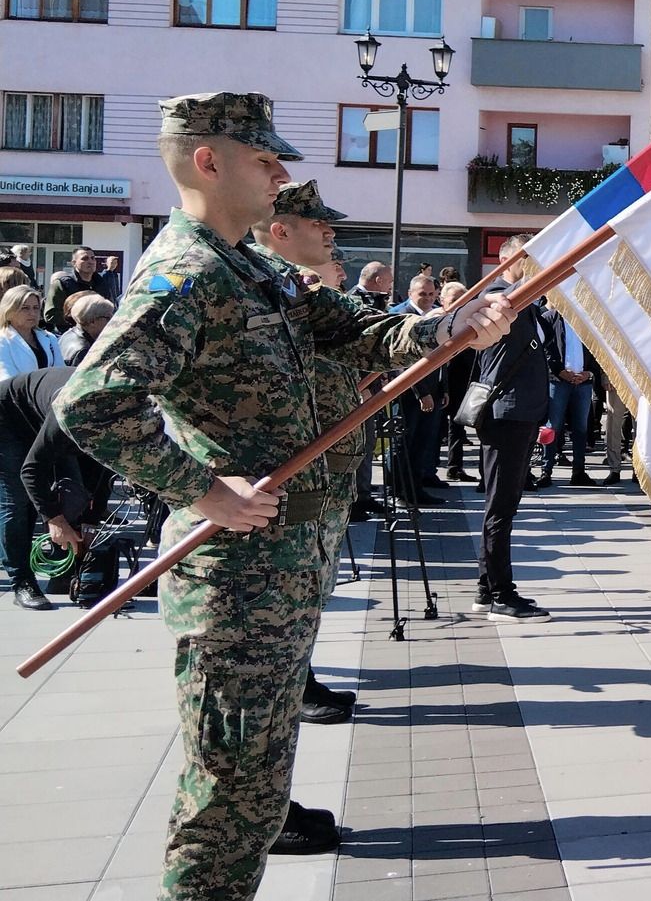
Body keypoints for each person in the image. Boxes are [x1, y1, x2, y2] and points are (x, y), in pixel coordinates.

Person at [52, 91, 513, 899]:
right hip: (234, 580)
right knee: (227, 799)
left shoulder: (254, 268)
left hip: (284, 567)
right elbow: (92, 402)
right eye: (264, 160)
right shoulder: (185, 275)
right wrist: (201, 489)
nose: (280, 176)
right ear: (208, 161)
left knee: (259, 790)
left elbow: (356, 328)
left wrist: (451, 327)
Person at [250, 180, 374, 731]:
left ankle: (301, 676)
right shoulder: (266, 291)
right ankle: (292, 686)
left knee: (314, 589)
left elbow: (363, 345)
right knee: (286, 600)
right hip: (287, 478)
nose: (330, 233)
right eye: (318, 223)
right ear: (280, 230)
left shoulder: (300, 293)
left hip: (329, 471)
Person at [469, 236, 553, 621]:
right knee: (500, 508)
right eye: (527, 257)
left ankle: (487, 589)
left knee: (503, 506)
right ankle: (502, 595)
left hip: (521, 415)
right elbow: (502, 303)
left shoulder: (527, 304)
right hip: (506, 416)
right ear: (505, 260)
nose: (535, 264)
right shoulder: (500, 299)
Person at [1, 367, 91, 609]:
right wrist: (55, 519)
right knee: (16, 502)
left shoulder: (123, 412)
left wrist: (91, 521)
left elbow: (101, 472)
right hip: (6, 417)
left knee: (75, 492)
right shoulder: (72, 405)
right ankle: (22, 582)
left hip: (44, 419)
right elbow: (31, 471)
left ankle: (64, 574)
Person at [392, 274, 449, 504]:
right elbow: (403, 361)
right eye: (422, 294)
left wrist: (443, 388)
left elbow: (443, 356)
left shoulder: (437, 316)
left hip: (434, 390)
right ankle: (401, 492)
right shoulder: (401, 315)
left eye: (431, 294)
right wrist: (422, 393)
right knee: (405, 443)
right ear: (410, 294)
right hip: (410, 394)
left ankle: (416, 489)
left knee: (423, 442)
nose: (427, 298)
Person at [538, 300, 596, 487]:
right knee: (552, 427)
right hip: (558, 381)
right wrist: (559, 371)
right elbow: (544, 350)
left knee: (581, 428)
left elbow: (597, 351)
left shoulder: (588, 320)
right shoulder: (549, 318)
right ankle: (546, 471)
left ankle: (579, 472)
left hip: (583, 382)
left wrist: (589, 373)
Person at [438, 281, 478, 482]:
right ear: (443, 300)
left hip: (464, 381)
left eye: (464, 300)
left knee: (457, 426)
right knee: (436, 428)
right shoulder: (437, 320)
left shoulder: (470, 323)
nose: (460, 304)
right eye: (455, 300)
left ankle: (454, 466)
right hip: (440, 383)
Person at [43, 247, 121, 331]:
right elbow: (50, 315)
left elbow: (111, 309)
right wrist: (80, 318)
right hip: (72, 333)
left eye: (92, 258)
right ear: (74, 263)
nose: (90, 262)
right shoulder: (63, 284)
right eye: (85, 259)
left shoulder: (102, 283)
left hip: (99, 334)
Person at [0, 287, 63, 378]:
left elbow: (60, 372)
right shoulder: (3, 341)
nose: (32, 313)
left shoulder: (50, 338)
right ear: (9, 311)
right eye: (25, 308)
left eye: (36, 308)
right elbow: (6, 378)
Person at [57, 293, 116, 365]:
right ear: (92, 321)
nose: (113, 321)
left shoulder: (68, 334)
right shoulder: (84, 352)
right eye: (108, 318)